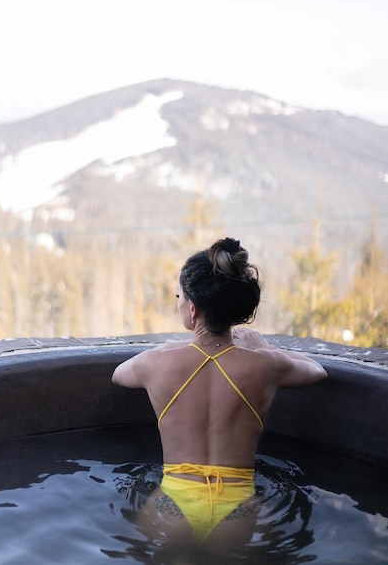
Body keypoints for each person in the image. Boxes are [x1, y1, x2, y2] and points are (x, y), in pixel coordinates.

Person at [112, 237, 327, 556]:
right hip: (237, 508)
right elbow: (317, 370)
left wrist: (171, 349)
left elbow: (118, 374)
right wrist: (263, 347)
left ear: (193, 308)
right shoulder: (266, 365)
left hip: (172, 504)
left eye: (179, 297)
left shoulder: (156, 363)